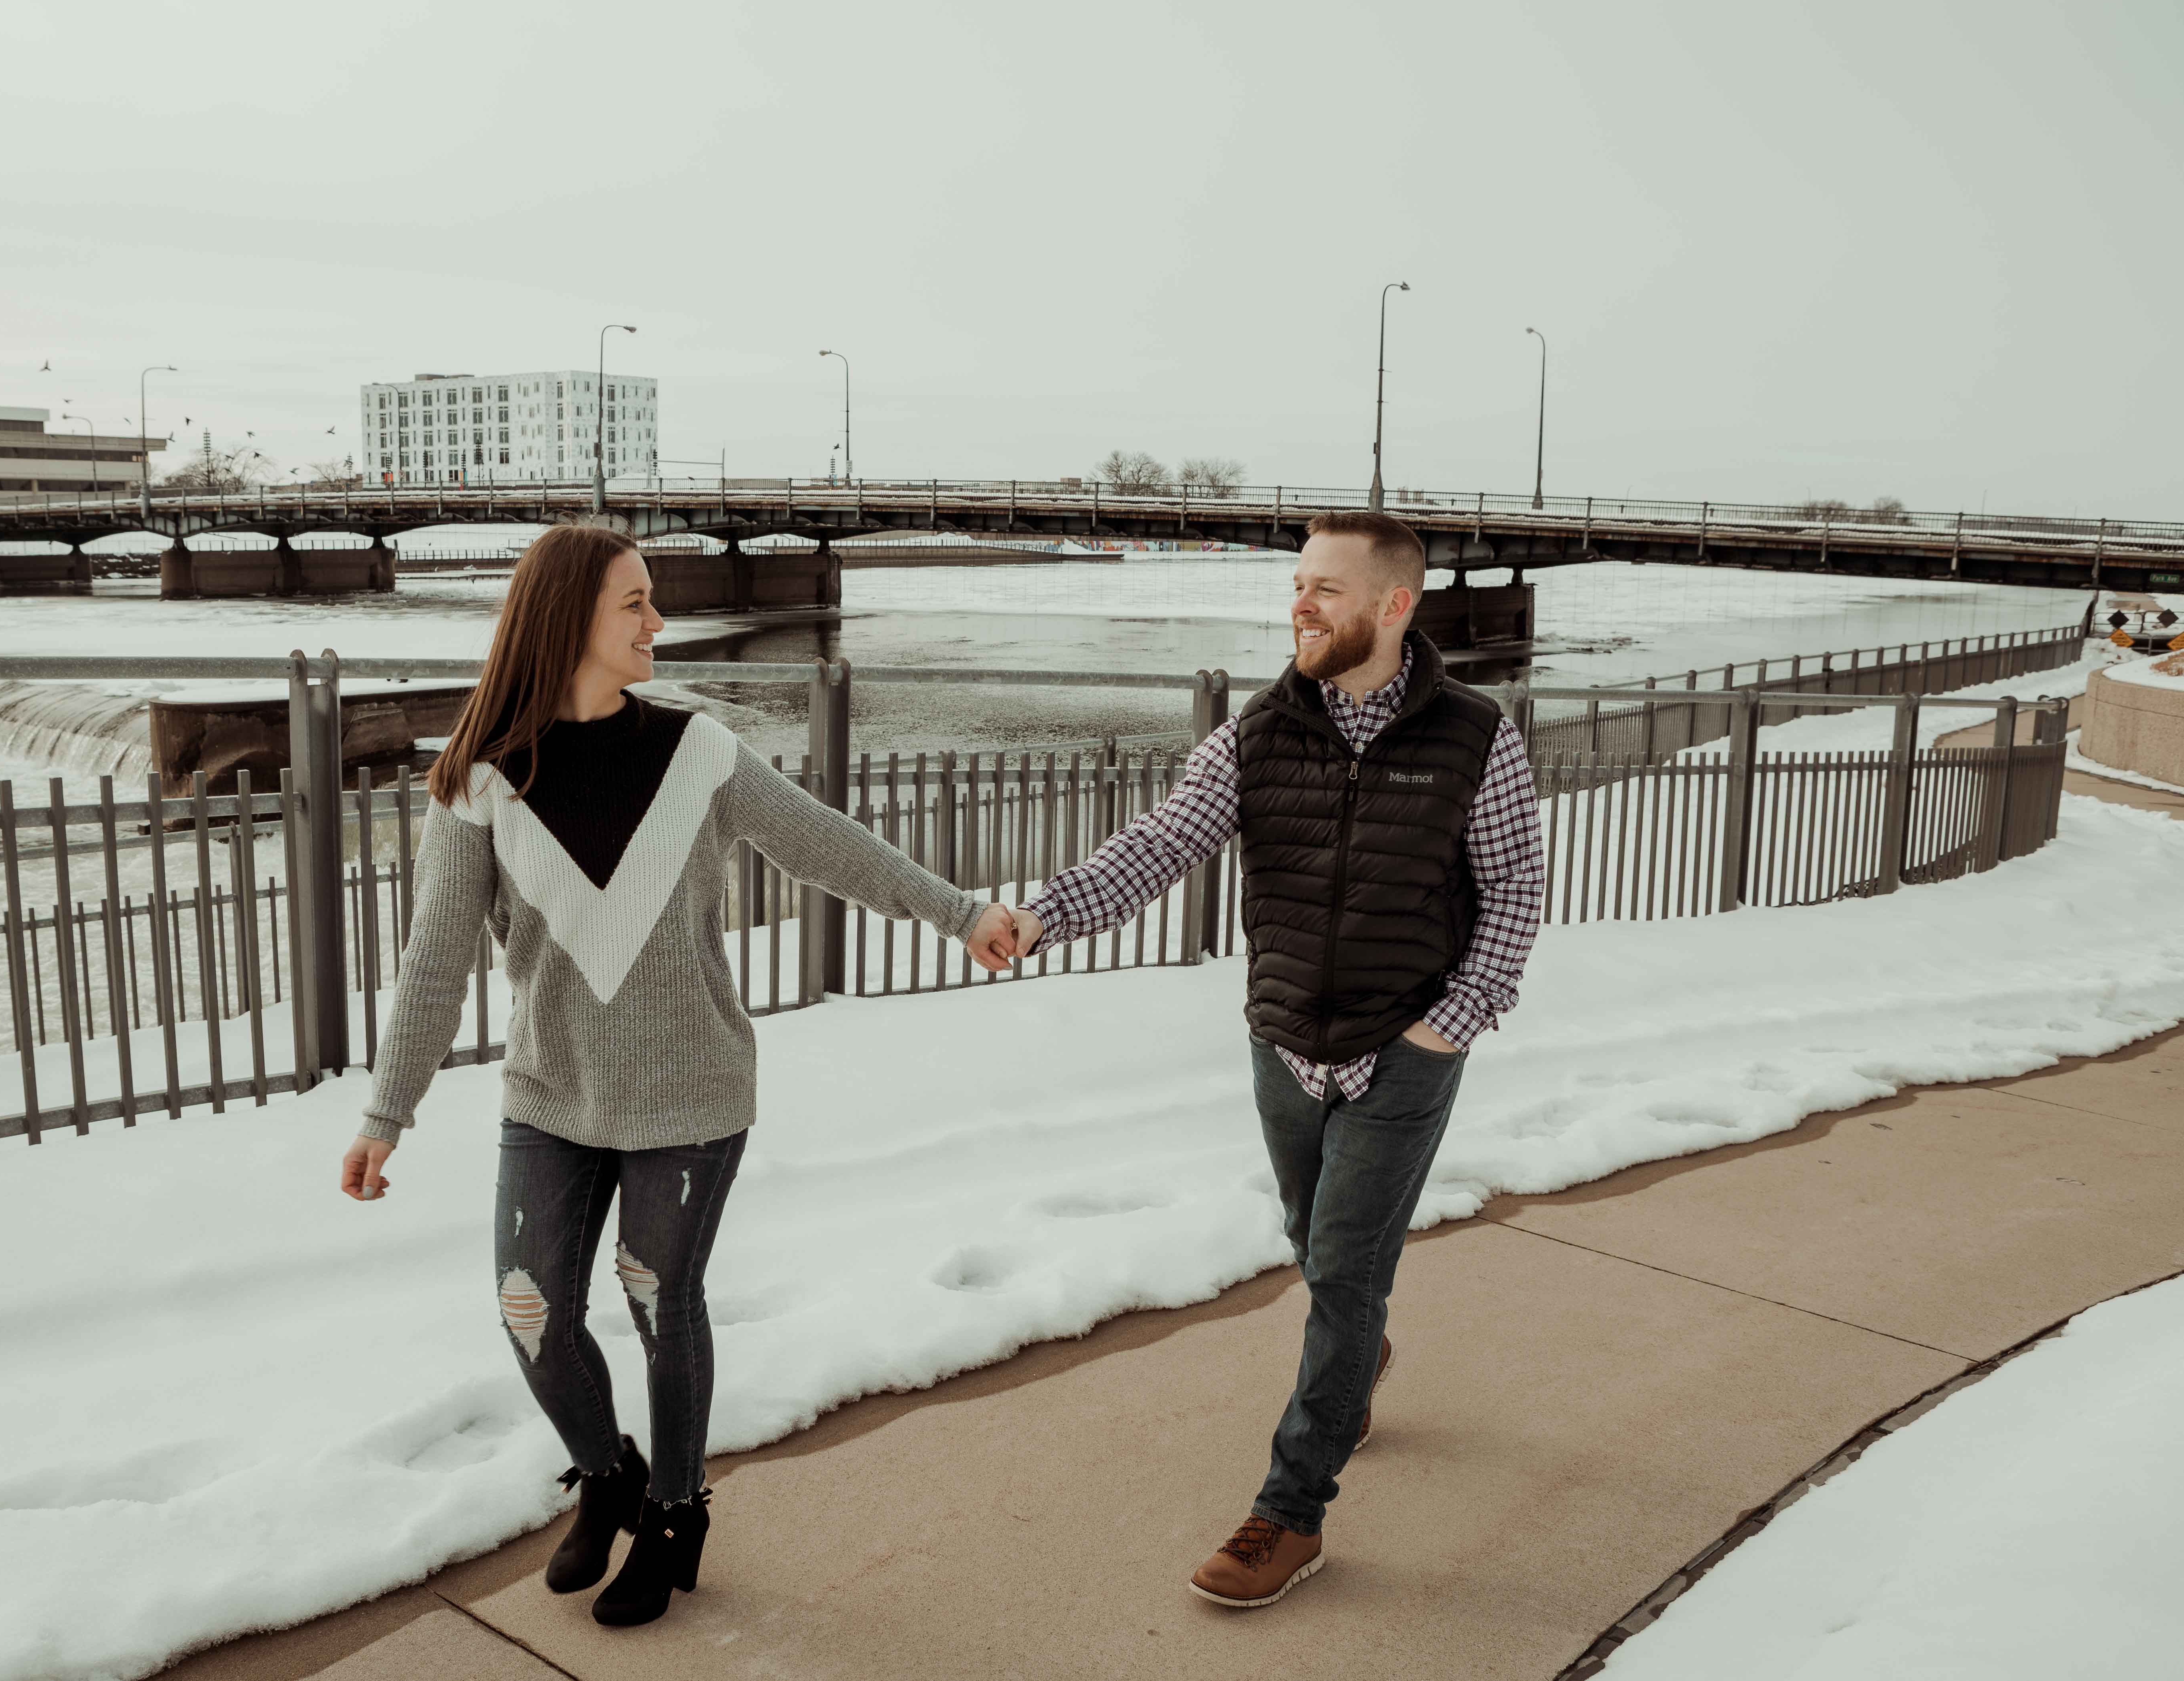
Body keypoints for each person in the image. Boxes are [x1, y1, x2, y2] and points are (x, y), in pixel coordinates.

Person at [340, 524, 1019, 1629]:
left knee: (659, 1297)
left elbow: (826, 845)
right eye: (636, 603)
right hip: (551, 1094)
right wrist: (387, 1111)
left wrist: (958, 912)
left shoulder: (698, 752)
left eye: (653, 602)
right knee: (529, 1308)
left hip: (691, 1092)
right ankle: (608, 1474)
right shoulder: (478, 780)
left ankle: (673, 1509)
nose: (658, 622)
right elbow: (434, 957)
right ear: (569, 619)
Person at [982, 510, 1544, 1609]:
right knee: (1312, 1242)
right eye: (1297, 585)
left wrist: (1451, 1023)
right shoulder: (1261, 729)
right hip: (1283, 1041)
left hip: (1404, 1047)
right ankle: (1359, 1356)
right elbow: (1162, 842)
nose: (1300, 606)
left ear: (1394, 605)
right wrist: (1043, 915)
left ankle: (1289, 1514)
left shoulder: (1477, 734)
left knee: (1344, 1272)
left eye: (1326, 589)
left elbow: (1515, 890)